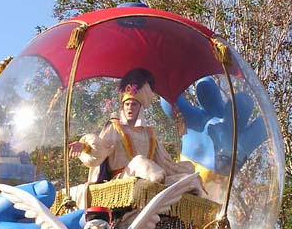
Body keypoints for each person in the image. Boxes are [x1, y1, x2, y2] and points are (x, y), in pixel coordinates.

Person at [69, 69, 197, 202]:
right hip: (121, 181)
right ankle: (158, 188)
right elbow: (101, 149)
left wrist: (185, 170)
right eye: (127, 104)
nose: (129, 108)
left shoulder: (149, 134)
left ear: (140, 108)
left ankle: (162, 189)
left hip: (150, 178)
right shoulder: (115, 127)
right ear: (122, 106)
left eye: (134, 104)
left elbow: (164, 163)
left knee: (191, 178)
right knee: (139, 161)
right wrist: (84, 146)